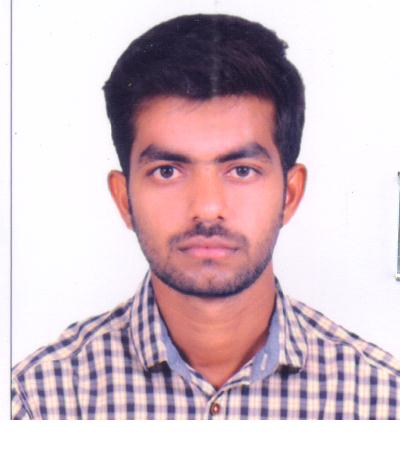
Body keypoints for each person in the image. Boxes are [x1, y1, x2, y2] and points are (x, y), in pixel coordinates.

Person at [11, 13, 400, 420]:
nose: (207, 207)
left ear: (290, 194)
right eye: (167, 171)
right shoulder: (38, 404)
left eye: (241, 170)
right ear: (124, 199)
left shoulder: (381, 404)